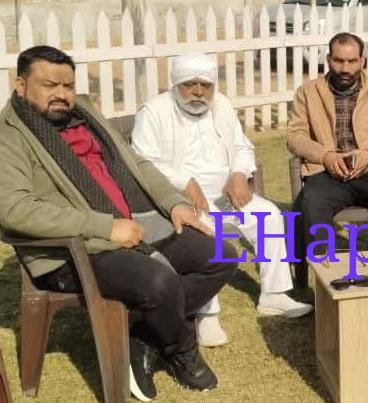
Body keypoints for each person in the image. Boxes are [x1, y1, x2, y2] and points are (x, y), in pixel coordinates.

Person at [0, 45, 237, 401]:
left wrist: (173, 203)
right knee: (159, 281)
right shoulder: (10, 137)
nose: (62, 94)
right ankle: (181, 350)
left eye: (68, 85)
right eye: (49, 85)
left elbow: (135, 164)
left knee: (221, 255)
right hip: (74, 250)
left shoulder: (85, 113)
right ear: (20, 85)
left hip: (135, 223)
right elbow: (15, 210)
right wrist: (105, 227)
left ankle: (143, 338)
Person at [132, 52, 312, 348]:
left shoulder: (222, 104)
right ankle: (207, 313)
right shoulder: (153, 112)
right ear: (176, 84)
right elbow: (143, 162)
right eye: (190, 84)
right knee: (207, 230)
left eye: (205, 85)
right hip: (182, 200)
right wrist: (184, 182)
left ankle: (274, 294)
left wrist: (240, 173)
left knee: (268, 215)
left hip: (226, 194)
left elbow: (242, 146)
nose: (198, 92)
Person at [288, 32, 368, 258]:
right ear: (328, 60)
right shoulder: (308, 92)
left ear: (362, 61)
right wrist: (326, 156)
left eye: (351, 61)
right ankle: (325, 271)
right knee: (310, 204)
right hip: (326, 171)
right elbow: (295, 136)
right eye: (338, 61)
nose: (345, 68)